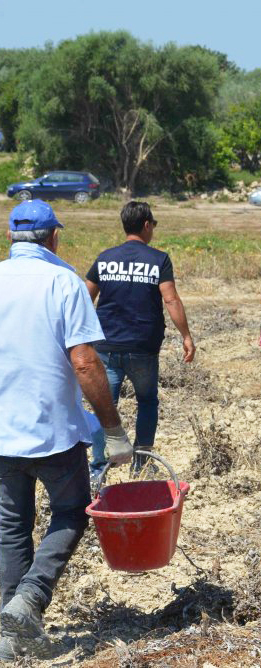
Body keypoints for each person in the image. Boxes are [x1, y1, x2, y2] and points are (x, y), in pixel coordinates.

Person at [0, 200, 132, 661]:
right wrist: (113, 431)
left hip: (2, 434)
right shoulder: (63, 283)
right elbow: (84, 361)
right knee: (73, 511)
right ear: (54, 238)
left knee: (11, 525)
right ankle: (30, 598)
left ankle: (9, 628)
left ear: (12, 238)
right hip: (53, 431)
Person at [85, 201, 195, 474]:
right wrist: (186, 336)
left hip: (106, 346)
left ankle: (98, 467)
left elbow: (85, 297)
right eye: (153, 225)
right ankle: (141, 463)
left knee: (103, 404)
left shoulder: (105, 258)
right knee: (147, 402)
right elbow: (171, 299)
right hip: (143, 348)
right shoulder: (159, 259)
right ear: (147, 225)